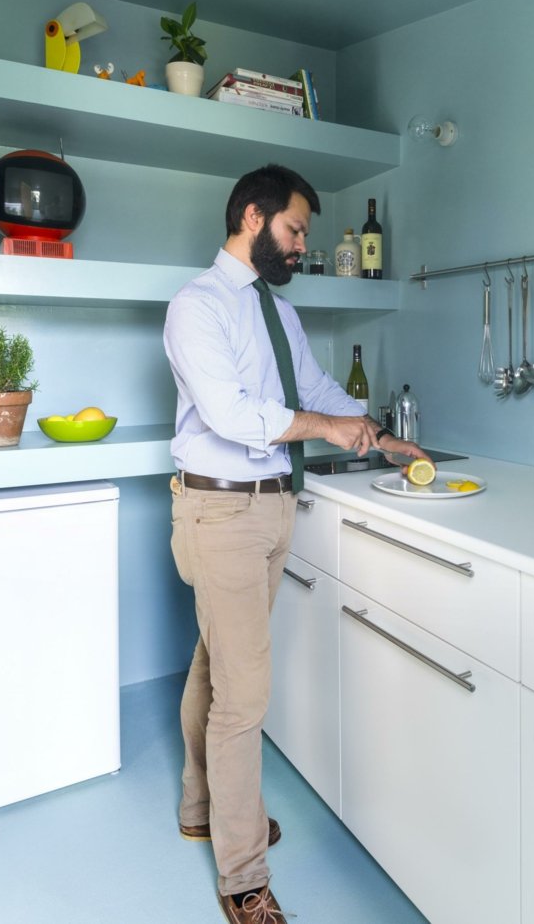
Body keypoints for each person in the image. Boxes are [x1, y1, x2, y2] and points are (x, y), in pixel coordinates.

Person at [163, 163, 426, 923]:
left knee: (218, 664)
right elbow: (232, 414)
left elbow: (314, 389)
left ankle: (201, 806)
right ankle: (243, 875)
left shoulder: (279, 314)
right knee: (244, 697)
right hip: (218, 514)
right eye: (296, 229)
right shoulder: (198, 306)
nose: (303, 245)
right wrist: (326, 430)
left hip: (274, 507)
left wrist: (378, 434)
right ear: (253, 216)